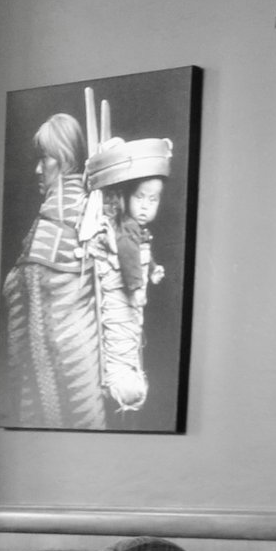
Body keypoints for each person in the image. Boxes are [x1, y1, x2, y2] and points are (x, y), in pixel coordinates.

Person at [0, 112, 107, 429]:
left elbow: (47, 306)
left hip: (70, 377)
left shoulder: (73, 211)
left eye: (44, 159)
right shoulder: (61, 210)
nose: (38, 168)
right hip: (53, 379)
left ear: (63, 158)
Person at [84, 134, 174, 417]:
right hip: (127, 295)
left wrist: (153, 268)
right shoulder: (126, 228)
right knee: (123, 329)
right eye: (140, 197)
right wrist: (136, 285)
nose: (146, 206)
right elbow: (126, 253)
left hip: (135, 299)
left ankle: (125, 376)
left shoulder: (138, 228)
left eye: (153, 199)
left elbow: (140, 254)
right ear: (126, 198)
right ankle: (121, 381)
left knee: (131, 331)